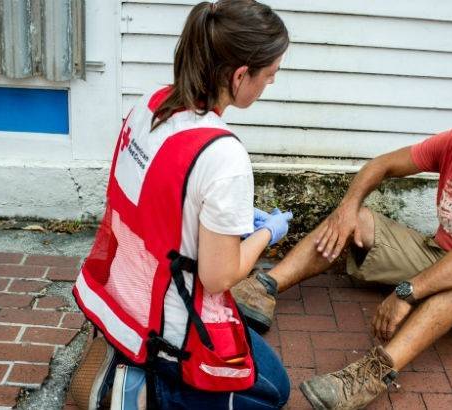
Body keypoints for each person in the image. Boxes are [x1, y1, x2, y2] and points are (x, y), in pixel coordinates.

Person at [231, 71, 452, 409]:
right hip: (440, 253)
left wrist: (407, 292)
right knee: (359, 220)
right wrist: (348, 208)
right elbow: (382, 165)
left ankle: (373, 373)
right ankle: (264, 288)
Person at [69, 1, 291, 409]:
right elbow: (219, 277)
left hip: (124, 295)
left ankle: (124, 357)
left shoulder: (150, 104)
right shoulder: (224, 155)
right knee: (273, 400)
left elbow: (157, 198)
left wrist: (224, 223)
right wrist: (266, 233)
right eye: (270, 75)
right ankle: (146, 393)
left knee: (274, 381)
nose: (269, 85)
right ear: (241, 75)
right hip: (171, 328)